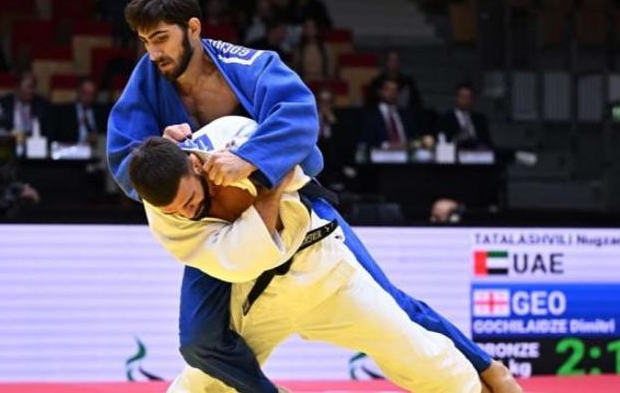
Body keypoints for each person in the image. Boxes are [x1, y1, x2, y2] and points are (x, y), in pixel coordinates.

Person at [107, 0, 521, 393]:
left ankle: (488, 368)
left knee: (390, 300)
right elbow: (124, 156)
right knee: (199, 342)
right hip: (216, 225)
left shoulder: (245, 66)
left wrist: (248, 159)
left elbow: (300, 115)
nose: (153, 52)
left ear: (193, 28)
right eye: (145, 41)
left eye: (161, 38)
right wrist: (161, 149)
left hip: (293, 208)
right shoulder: (147, 80)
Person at [130, 116, 483, 392]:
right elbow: (243, 261)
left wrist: (249, 159)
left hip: (323, 269)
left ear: (194, 163)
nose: (188, 213)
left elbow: (302, 157)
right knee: (200, 384)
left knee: (418, 353)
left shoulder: (230, 134)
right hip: (259, 292)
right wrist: (265, 184)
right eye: (177, 211)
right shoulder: (165, 221)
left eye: (190, 200)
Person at [361, 78, 416, 149]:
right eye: (388, 89)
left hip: (406, 152)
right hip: (382, 153)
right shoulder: (370, 115)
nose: (392, 93)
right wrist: (388, 145)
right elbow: (366, 141)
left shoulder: (405, 115)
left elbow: (413, 137)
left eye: (395, 90)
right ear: (380, 92)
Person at [49, 77, 104, 144]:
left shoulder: (100, 112)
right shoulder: (65, 112)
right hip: (74, 148)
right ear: (78, 92)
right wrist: (84, 138)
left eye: (91, 94)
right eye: (85, 93)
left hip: (96, 148)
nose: (88, 97)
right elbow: (62, 136)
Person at [438, 83, 493, 149]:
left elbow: (488, 142)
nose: (465, 100)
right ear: (456, 98)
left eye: (468, 97)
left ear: (473, 99)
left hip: (478, 153)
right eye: (462, 97)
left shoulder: (480, 119)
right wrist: (456, 139)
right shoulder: (446, 119)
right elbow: (443, 142)